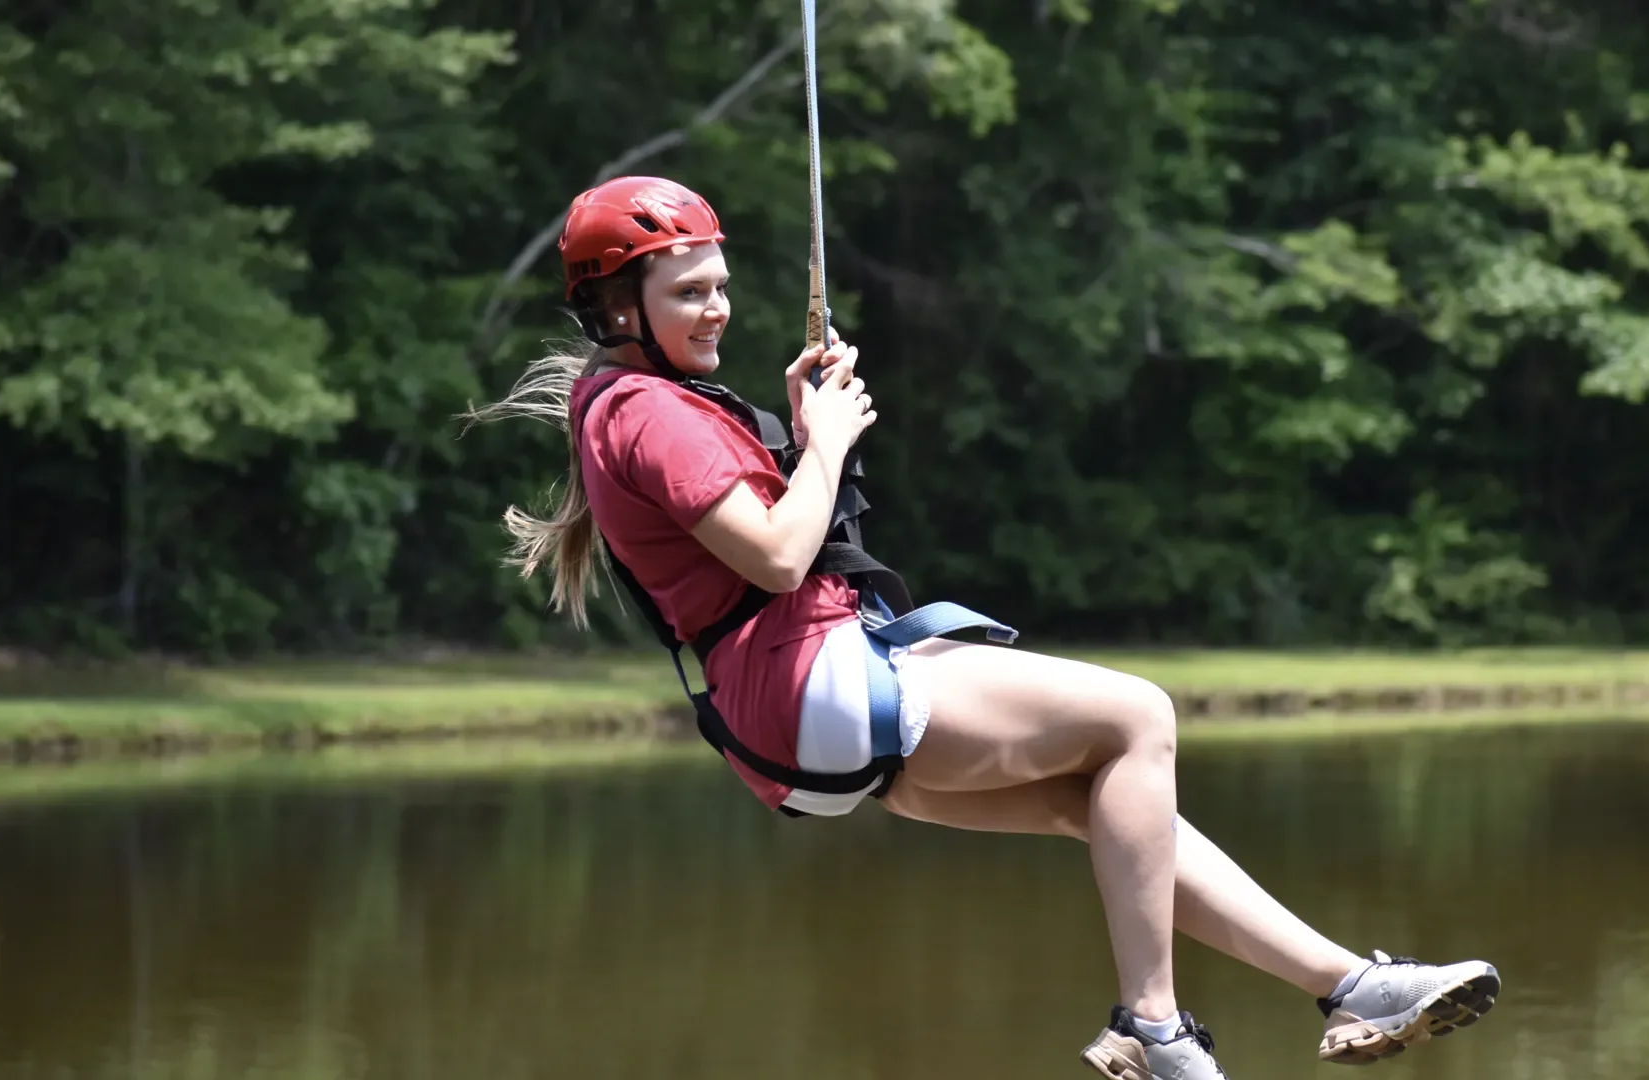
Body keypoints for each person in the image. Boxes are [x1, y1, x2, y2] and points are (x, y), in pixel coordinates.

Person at [470, 175, 1501, 1080]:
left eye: (721, 284)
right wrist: (823, 442)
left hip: (790, 715)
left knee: (1099, 807)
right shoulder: (649, 411)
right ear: (615, 307)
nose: (717, 310)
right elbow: (780, 556)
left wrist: (797, 426)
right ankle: (1152, 1024)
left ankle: (1349, 985)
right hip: (811, 681)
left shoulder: (636, 404)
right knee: (1139, 717)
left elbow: (764, 542)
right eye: (688, 291)